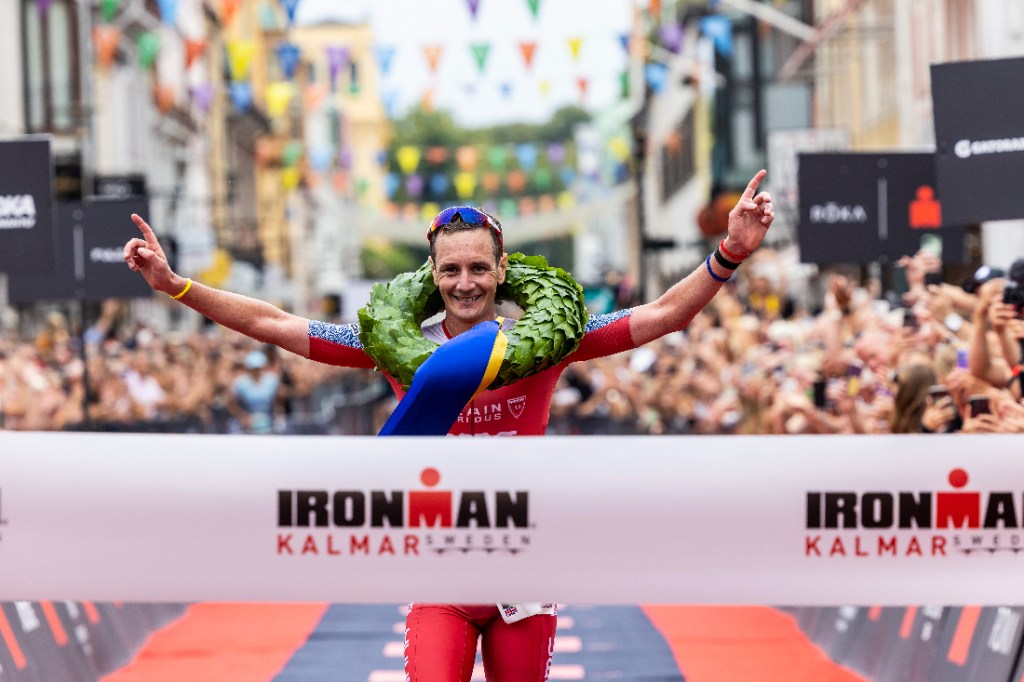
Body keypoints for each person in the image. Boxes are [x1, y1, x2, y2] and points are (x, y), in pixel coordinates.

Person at [123, 169, 774, 681]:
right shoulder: (392, 339)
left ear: (502, 269)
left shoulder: (550, 336)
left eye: (479, 269)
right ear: (432, 276)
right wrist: (178, 286)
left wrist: (730, 254)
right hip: (438, 566)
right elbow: (277, 326)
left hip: (523, 562)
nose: (466, 283)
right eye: (452, 270)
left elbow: (659, 315)